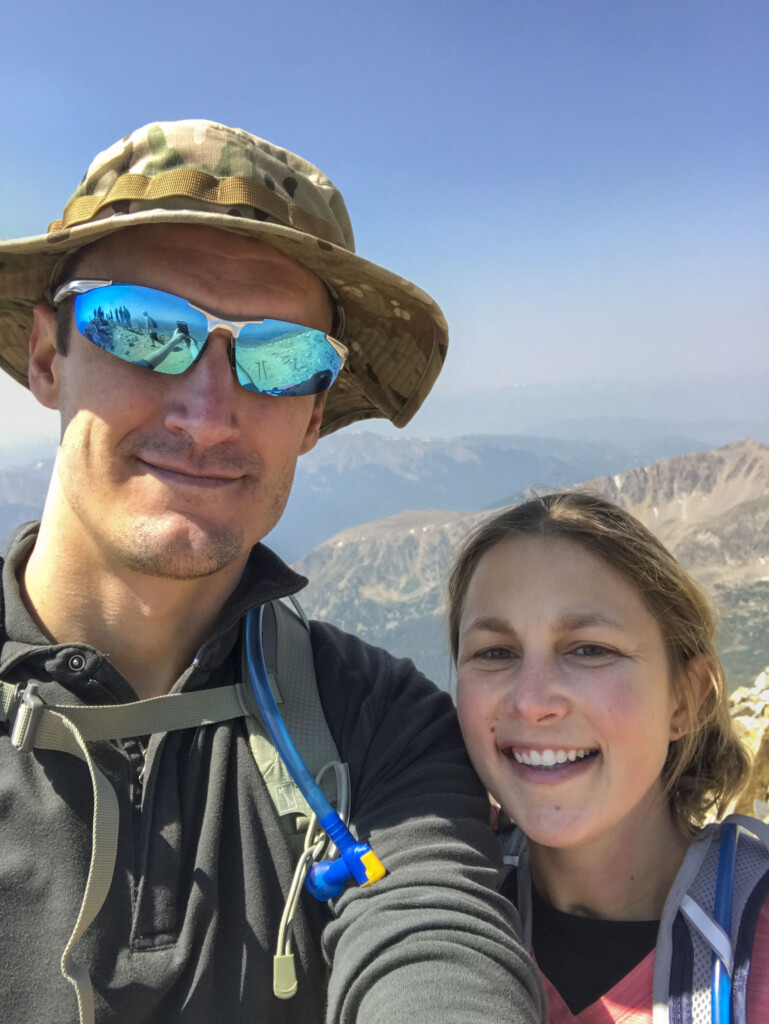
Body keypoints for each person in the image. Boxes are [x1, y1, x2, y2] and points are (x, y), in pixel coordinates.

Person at [0, 120, 545, 1024]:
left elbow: (437, 950)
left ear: (315, 413)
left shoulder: (376, 729)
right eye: (143, 327)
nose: (210, 412)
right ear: (51, 355)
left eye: (280, 356)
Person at [447, 491, 769, 1024]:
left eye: (590, 649)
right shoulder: (436, 907)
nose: (532, 701)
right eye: (495, 652)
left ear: (686, 698)